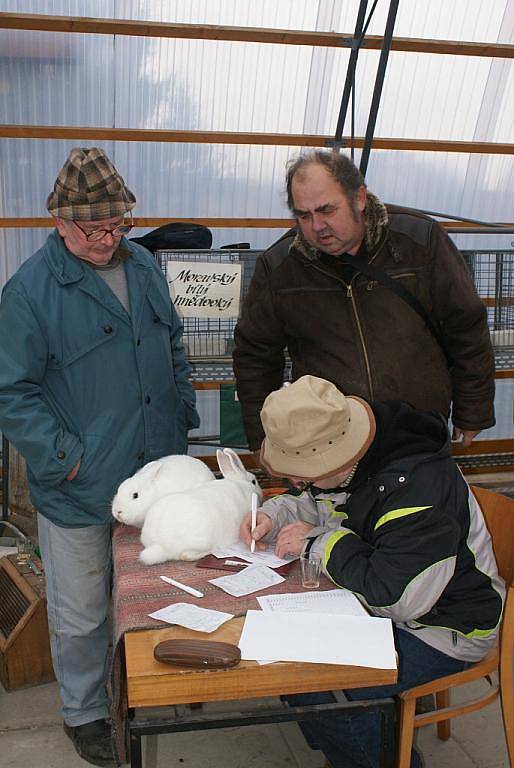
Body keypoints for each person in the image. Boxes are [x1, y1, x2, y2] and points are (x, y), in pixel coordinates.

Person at [0, 147, 199, 768]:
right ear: (58, 221)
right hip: (82, 484)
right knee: (82, 612)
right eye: (95, 228)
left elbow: (172, 344)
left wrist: (184, 408)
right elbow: (11, 390)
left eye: (120, 224)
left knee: (152, 589)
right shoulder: (30, 293)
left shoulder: (142, 266)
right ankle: (84, 712)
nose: (110, 238)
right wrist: (66, 459)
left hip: (156, 474)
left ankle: (146, 686)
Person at [240, 375, 504, 768]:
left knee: (325, 688)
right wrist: (271, 516)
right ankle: (348, 748)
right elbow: (317, 502)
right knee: (289, 663)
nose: (295, 483)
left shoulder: (419, 489)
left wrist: (317, 543)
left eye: (302, 474)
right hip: (390, 609)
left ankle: (370, 751)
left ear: (342, 459)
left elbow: (397, 598)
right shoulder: (354, 461)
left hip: (445, 628)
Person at [233, 150, 495, 458]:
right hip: (327, 444)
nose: (317, 226)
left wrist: (472, 409)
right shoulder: (279, 267)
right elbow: (255, 358)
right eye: (304, 215)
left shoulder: (419, 240)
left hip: (418, 431)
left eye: (327, 210)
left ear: (359, 198)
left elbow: (465, 326)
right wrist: (267, 441)